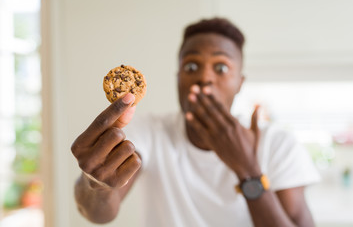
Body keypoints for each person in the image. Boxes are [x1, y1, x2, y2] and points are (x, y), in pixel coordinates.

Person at [71, 18, 320, 227]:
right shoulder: (148, 132)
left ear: (240, 83)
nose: (204, 78)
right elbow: (97, 213)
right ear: (178, 78)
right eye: (191, 66)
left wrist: (247, 169)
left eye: (221, 68)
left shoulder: (277, 143)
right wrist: (96, 184)